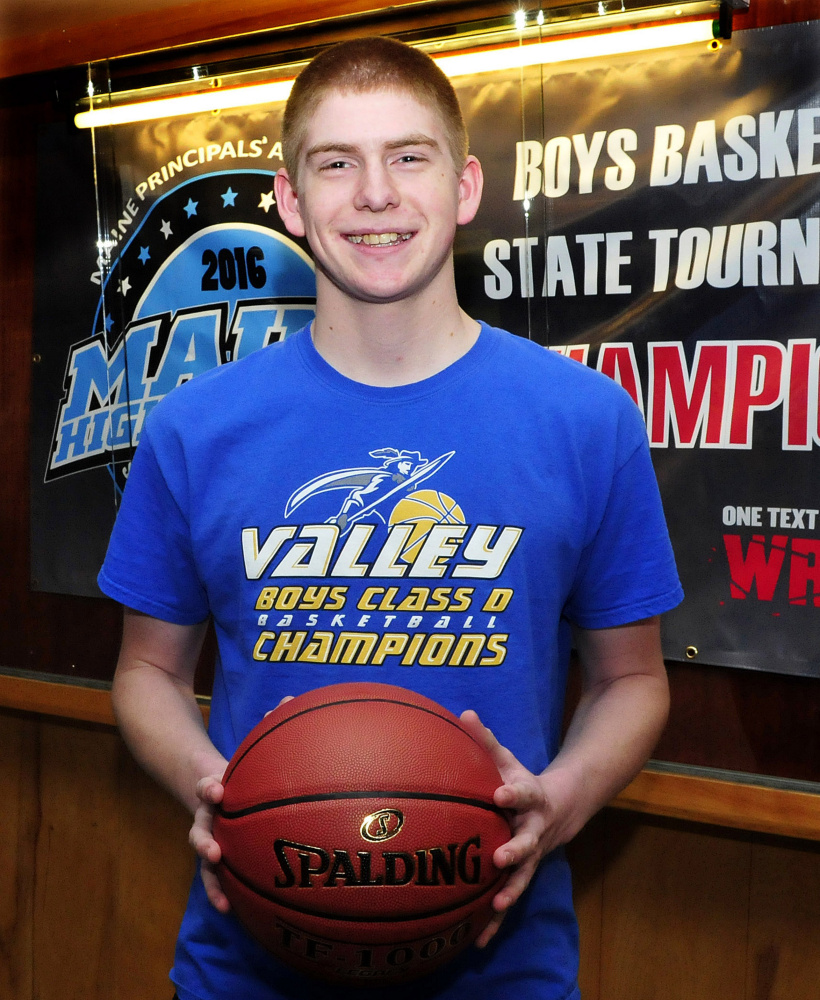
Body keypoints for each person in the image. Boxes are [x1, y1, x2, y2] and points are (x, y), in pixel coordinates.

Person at [99, 35, 683, 1000]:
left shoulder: (585, 419)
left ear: (463, 188)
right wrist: (216, 792)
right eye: (337, 163)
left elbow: (635, 681)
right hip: (247, 962)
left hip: (501, 966)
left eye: (409, 157)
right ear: (290, 201)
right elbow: (144, 671)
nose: (375, 194)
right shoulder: (198, 426)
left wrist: (562, 799)